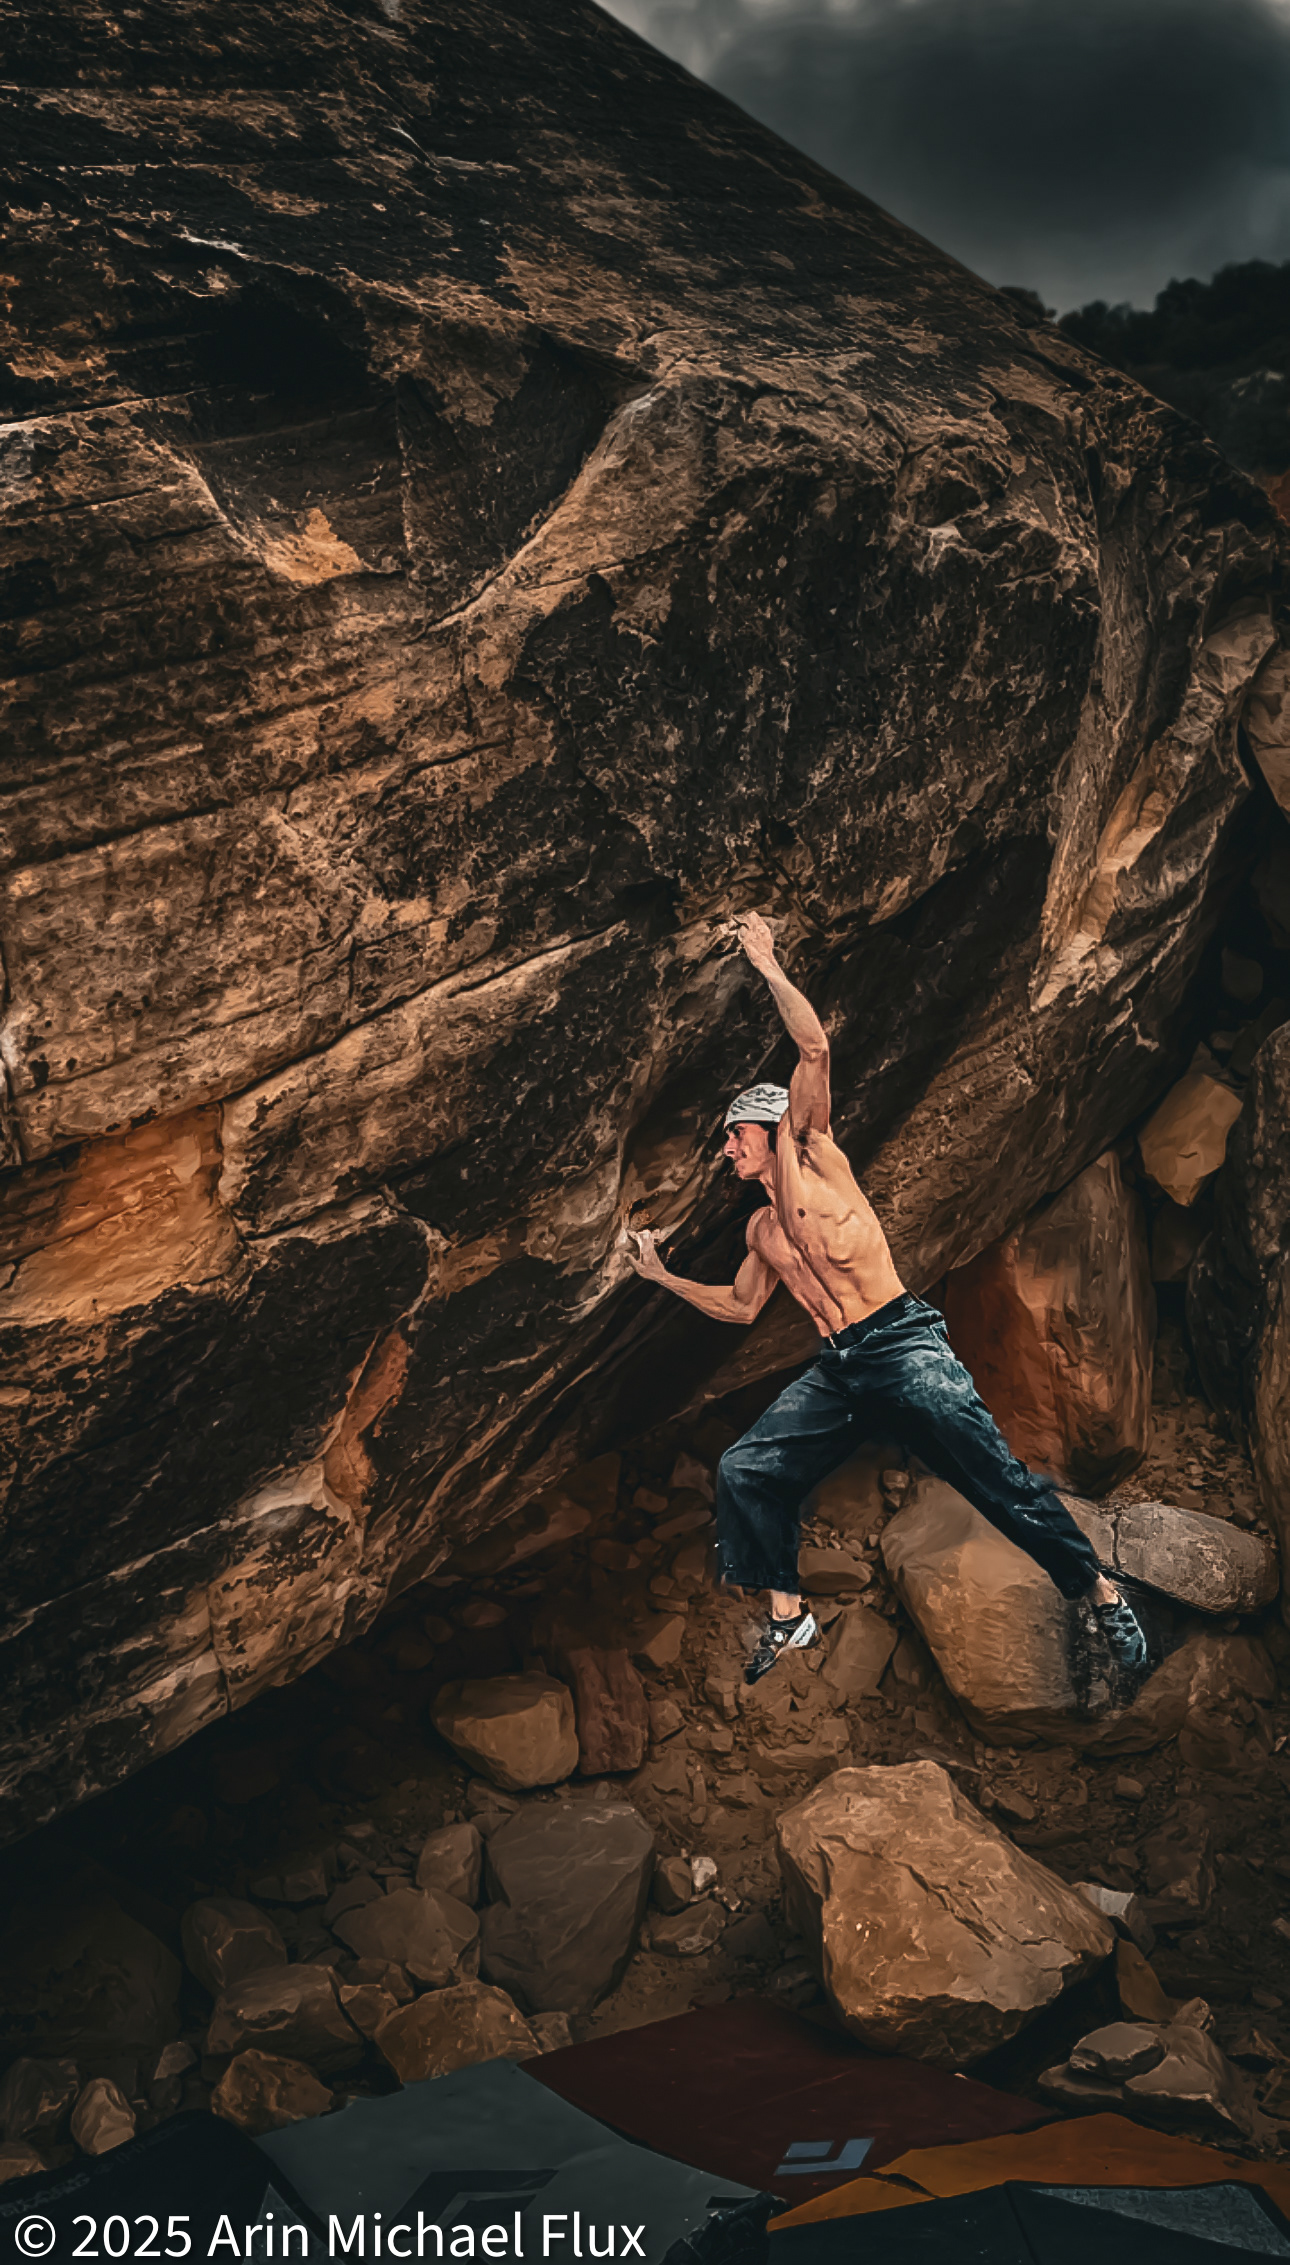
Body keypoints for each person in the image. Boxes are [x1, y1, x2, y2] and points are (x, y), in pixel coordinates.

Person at [627, 912, 1149, 1686]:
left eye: (736, 1133)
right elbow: (739, 1308)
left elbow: (814, 1048)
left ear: (770, 1126)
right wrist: (662, 1277)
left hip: (901, 1343)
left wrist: (767, 962)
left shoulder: (813, 1150)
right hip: (842, 1367)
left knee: (995, 1481)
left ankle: (1100, 1592)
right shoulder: (762, 1230)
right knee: (745, 1468)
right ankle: (788, 1614)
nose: (727, 1147)